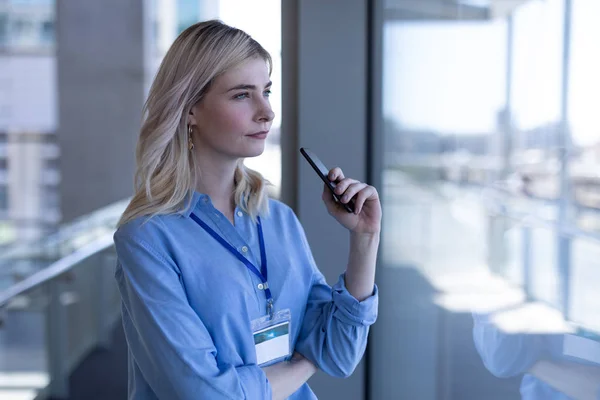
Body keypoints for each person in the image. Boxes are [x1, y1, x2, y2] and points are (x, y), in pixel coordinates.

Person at [113, 20, 381, 400]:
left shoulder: (279, 221)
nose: (267, 112)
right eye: (242, 95)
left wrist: (365, 239)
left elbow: (339, 353)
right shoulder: (147, 239)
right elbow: (206, 394)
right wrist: (305, 360)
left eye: (266, 92)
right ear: (190, 109)